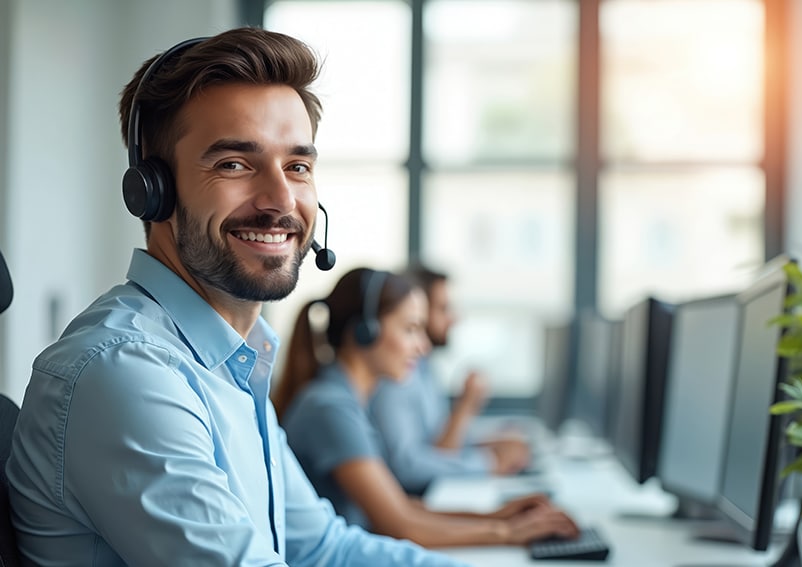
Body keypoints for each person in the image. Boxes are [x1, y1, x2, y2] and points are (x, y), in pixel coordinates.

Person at [5, 28, 469, 567]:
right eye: (233, 164)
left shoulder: (234, 364)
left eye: (297, 167)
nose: (280, 200)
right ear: (151, 190)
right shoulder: (126, 371)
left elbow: (323, 548)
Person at [272, 267, 579, 548]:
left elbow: (403, 507)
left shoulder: (348, 401)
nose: (423, 346)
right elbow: (399, 525)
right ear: (366, 332)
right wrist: (508, 533)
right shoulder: (330, 407)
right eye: (410, 329)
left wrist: (499, 517)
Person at [369, 263, 531, 495]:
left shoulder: (423, 368)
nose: (454, 319)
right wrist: (488, 461)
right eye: (444, 309)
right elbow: (410, 466)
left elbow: (439, 443)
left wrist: (488, 446)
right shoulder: (395, 376)